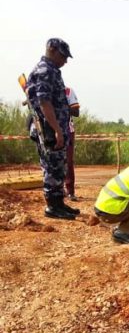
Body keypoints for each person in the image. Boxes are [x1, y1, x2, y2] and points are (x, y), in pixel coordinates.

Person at [26, 38, 80, 220]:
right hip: (49, 130)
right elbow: (44, 102)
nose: (65, 60)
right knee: (52, 167)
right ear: (52, 50)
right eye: (63, 56)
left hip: (56, 127)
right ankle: (52, 206)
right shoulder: (45, 70)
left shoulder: (52, 71)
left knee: (58, 166)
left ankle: (59, 204)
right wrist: (56, 129)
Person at [64, 87, 80, 201]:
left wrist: (61, 107)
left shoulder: (67, 91)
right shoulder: (45, 89)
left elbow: (76, 112)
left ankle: (70, 191)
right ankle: (55, 191)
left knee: (68, 161)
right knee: (51, 161)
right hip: (48, 130)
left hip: (67, 131)